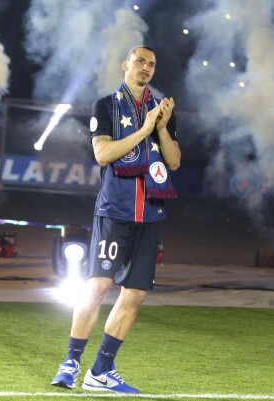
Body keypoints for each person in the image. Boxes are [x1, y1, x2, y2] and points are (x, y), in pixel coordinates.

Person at [51, 45, 181, 394]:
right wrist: (143, 130)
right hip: (115, 211)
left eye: (152, 64)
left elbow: (174, 162)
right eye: (140, 61)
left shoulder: (161, 108)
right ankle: (70, 362)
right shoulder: (106, 106)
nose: (146, 68)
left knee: (135, 294)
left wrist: (163, 128)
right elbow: (103, 153)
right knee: (98, 286)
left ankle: (101, 370)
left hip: (150, 213)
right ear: (125, 64)